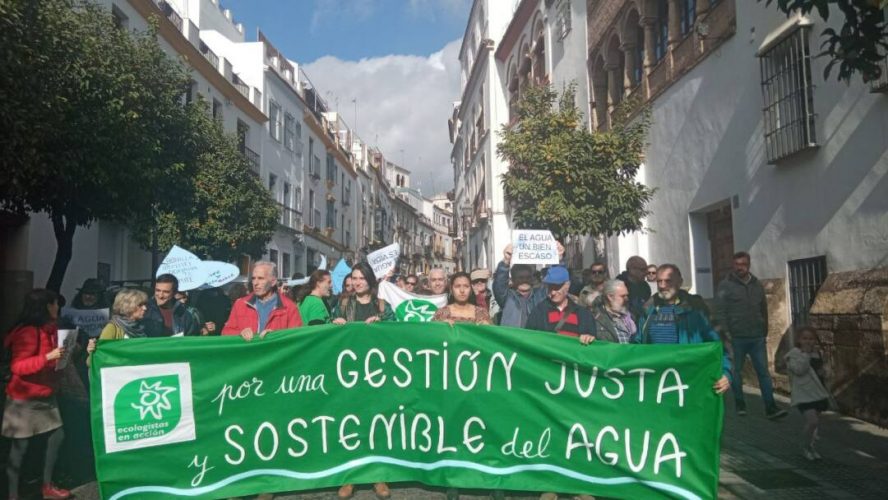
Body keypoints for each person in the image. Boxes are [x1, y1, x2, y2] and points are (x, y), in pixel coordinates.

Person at [2, 289, 70, 500]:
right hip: (24, 400)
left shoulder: (48, 329)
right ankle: (13, 495)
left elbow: (45, 363)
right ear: (45, 306)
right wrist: (49, 356)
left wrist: (63, 356)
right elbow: (18, 367)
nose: (57, 308)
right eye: (54, 304)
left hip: (45, 395)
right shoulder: (28, 332)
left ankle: (46, 486)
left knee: (57, 437)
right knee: (19, 451)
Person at [333, 262, 391, 499]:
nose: (356, 282)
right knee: (351, 423)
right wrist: (333, 324)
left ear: (370, 280)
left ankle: (378, 476)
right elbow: (328, 333)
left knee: (376, 423)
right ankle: (351, 477)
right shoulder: (344, 304)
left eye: (361, 278)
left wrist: (383, 324)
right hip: (350, 373)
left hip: (377, 374)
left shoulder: (382, 306)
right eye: (353, 278)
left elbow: (399, 332)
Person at [635, 264, 732, 394]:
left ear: (680, 282)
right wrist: (600, 347)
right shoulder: (648, 311)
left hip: (689, 381)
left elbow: (719, 345)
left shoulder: (696, 310)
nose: (663, 286)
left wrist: (726, 373)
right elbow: (635, 345)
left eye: (668, 281)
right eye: (659, 281)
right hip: (656, 384)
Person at [715, 251, 787, 419]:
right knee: (735, 372)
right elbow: (720, 312)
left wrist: (764, 331)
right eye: (737, 264)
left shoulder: (757, 285)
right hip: (736, 338)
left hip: (756, 338)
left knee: (764, 373)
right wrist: (726, 335)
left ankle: (771, 407)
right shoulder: (725, 286)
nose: (740, 267)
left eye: (744, 264)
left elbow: (763, 309)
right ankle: (740, 404)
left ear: (749, 265)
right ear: (733, 266)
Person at [222, 261, 302, 341]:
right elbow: (225, 332)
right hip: (248, 352)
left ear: (273, 282)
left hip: (274, 352)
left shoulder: (289, 307)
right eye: (253, 278)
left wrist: (276, 336)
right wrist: (240, 333)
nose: (255, 283)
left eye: (261, 278)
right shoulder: (240, 304)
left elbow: (296, 339)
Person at [786, 326, 831, 461]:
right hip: (804, 394)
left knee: (815, 425)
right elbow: (799, 370)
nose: (808, 341)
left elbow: (824, 371)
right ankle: (804, 447)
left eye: (811, 339)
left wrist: (825, 372)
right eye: (805, 338)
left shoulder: (818, 354)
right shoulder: (793, 354)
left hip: (818, 392)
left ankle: (811, 447)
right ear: (799, 340)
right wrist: (805, 354)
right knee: (812, 421)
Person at [526, 265, 597, 340]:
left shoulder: (583, 314)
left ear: (567, 286)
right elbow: (529, 340)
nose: (553, 292)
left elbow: (593, 343)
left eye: (557, 287)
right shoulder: (538, 313)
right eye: (550, 287)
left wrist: (589, 338)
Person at [492, 245, 547, 328]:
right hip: (513, 339)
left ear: (532, 279)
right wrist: (506, 261)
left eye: (527, 277)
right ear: (513, 280)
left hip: (535, 339)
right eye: (520, 278)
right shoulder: (507, 297)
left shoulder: (539, 295)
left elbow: (556, 281)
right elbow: (499, 284)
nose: (524, 280)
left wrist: (559, 259)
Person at [616, 255, 651, 322]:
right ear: (632, 270)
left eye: (646, 269)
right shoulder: (618, 285)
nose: (646, 273)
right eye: (643, 269)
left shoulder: (645, 286)